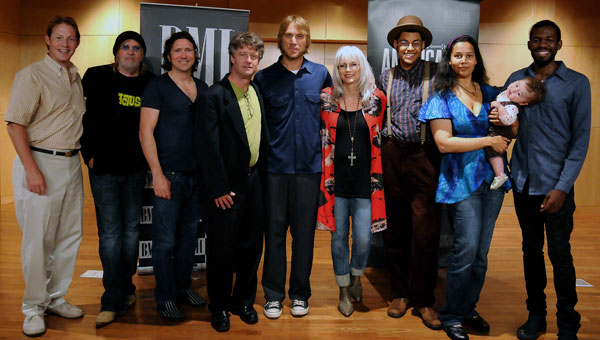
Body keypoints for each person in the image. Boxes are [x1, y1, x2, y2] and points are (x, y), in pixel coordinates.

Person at [419, 35, 514, 340]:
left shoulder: (490, 93)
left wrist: (508, 120)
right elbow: (443, 143)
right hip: (461, 182)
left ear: (476, 59)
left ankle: (468, 307)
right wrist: (488, 140)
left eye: (468, 55)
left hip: (493, 181)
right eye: (457, 56)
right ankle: (452, 314)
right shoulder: (441, 97)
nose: (463, 61)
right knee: (466, 250)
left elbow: (513, 126)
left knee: (482, 253)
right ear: (450, 60)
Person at [506, 20, 590, 340]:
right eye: (537, 39)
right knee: (531, 253)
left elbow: (579, 142)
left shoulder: (577, 84)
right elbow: (505, 123)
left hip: (557, 188)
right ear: (529, 43)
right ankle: (536, 316)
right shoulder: (516, 80)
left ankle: (568, 323)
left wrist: (561, 188)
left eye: (549, 39)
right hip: (523, 185)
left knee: (560, 256)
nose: (543, 44)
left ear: (559, 44)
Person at [5, 15, 85, 337]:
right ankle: (33, 307)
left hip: (71, 163)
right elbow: (15, 124)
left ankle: (56, 297)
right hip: (39, 161)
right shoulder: (32, 75)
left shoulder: (76, 77)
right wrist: (31, 169)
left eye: (71, 39)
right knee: (37, 241)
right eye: (60, 38)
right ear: (47, 40)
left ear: (77, 42)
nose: (65, 44)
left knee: (68, 237)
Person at [254, 14, 332, 319]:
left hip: (310, 171)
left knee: (304, 236)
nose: (293, 41)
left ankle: (300, 294)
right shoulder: (264, 78)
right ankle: (273, 295)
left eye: (299, 36)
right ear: (280, 39)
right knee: (273, 235)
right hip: (274, 169)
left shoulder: (321, 75)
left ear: (307, 40)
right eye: (288, 35)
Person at [80, 31, 155, 327]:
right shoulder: (95, 76)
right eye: (125, 47)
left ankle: (126, 288)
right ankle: (111, 299)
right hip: (104, 171)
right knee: (110, 236)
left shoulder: (149, 84)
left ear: (142, 55)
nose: (131, 52)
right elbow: (79, 115)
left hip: (135, 170)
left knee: (131, 234)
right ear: (116, 52)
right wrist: (89, 154)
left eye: (137, 48)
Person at [197, 32, 269, 333]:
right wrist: (217, 188)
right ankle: (220, 306)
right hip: (226, 188)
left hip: (254, 183)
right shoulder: (214, 96)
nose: (249, 60)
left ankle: (243, 301)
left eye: (254, 55)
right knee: (222, 251)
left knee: (251, 247)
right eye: (243, 54)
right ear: (232, 57)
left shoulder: (257, 91)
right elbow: (206, 147)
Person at [377, 14, 442, 330]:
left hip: (423, 156)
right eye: (404, 42)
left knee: (426, 230)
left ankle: (425, 299)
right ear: (395, 44)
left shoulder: (437, 74)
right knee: (396, 228)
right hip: (391, 154)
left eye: (416, 43)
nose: (410, 48)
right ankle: (400, 293)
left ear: (424, 46)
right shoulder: (384, 76)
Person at [139, 31, 208, 321]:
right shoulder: (158, 87)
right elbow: (145, 132)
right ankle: (165, 296)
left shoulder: (203, 87)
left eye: (188, 50)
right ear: (169, 55)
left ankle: (182, 289)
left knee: (188, 238)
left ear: (195, 54)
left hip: (197, 178)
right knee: (165, 241)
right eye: (178, 50)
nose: (183, 55)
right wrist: (157, 173)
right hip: (168, 174)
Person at [317, 46, 387, 317]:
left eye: (353, 65)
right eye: (342, 65)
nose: (348, 70)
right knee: (337, 241)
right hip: (336, 183)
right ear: (337, 69)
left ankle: (357, 276)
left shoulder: (376, 99)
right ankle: (344, 289)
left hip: (365, 183)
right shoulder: (326, 99)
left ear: (362, 67)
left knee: (362, 239)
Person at [486, 78, 545, 190]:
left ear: (523, 103)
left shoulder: (512, 107)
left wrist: (500, 107)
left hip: (500, 133)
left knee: (493, 152)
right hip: (493, 129)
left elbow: (507, 120)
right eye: (516, 85)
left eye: (518, 93)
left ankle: (500, 175)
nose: (513, 90)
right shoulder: (504, 93)